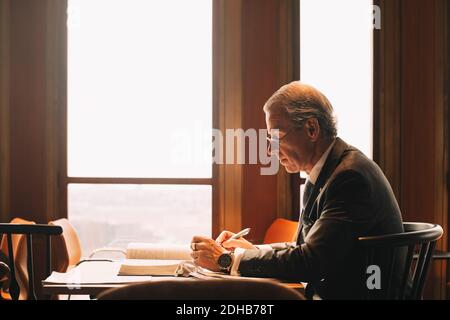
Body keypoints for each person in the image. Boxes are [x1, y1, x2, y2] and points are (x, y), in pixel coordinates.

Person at [191, 81, 404, 299]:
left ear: (311, 129)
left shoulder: (350, 178)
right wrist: (251, 253)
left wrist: (226, 260)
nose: (270, 149)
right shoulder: (326, 173)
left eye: (276, 136)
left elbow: (312, 262)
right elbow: (305, 249)